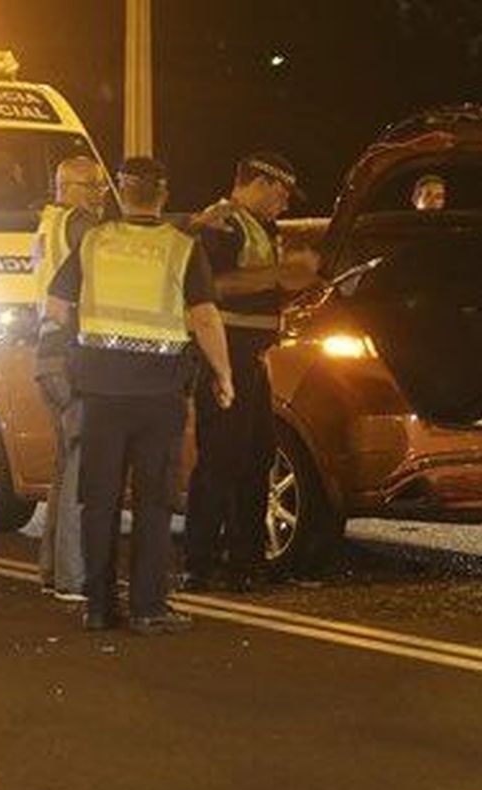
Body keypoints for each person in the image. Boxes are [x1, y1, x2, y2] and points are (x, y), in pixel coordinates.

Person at [45, 156, 234, 634]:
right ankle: (148, 607)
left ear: (121, 193)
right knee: (153, 501)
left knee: (99, 499)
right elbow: (205, 317)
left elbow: (57, 305)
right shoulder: (181, 248)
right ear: (163, 195)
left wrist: (82, 342)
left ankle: (98, 606)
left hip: (99, 391)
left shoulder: (94, 242)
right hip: (158, 393)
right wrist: (224, 374)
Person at [183, 151, 319, 592]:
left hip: (254, 357)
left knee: (257, 456)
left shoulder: (261, 226)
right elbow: (215, 286)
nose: (285, 204)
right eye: (281, 193)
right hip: (225, 355)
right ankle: (199, 564)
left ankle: (245, 560)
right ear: (259, 183)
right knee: (221, 457)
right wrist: (280, 274)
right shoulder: (221, 224)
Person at [33, 156, 109, 604]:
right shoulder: (78, 224)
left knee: (65, 468)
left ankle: (52, 569)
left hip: (47, 357)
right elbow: (114, 248)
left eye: (102, 187)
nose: (100, 196)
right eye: (92, 186)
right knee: (82, 466)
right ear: (66, 187)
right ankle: (73, 576)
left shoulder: (48, 225)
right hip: (70, 357)